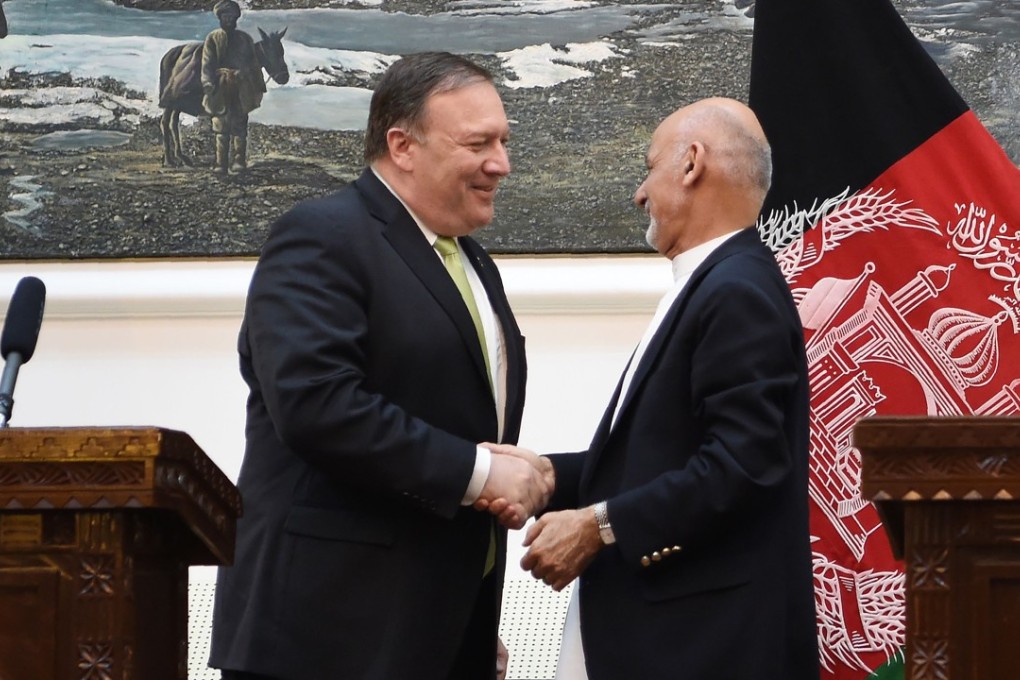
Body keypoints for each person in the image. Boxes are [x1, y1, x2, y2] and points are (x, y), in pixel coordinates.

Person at [209, 52, 553, 680]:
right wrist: (482, 472)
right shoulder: (320, 237)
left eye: (503, 141)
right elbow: (317, 406)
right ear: (402, 145)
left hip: (434, 631)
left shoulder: (472, 261)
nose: (501, 163)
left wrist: (463, 622)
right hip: (325, 638)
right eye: (479, 143)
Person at [486, 98, 820, 679]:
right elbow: (666, 454)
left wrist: (599, 525)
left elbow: (744, 465)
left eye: (649, 166)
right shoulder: (717, 283)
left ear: (692, 164)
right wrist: (551, 475)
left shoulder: (735, 291)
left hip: (704, 648)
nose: (640, 192)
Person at [201, 0, 265, 173]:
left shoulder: (245, 39)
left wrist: (244, 74)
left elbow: (253, 63)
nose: (228, 20)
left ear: (237, 18)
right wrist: (207, 83)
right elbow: (207, 63)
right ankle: (220, 163)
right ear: (220, 18)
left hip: (240, 86)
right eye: (225, 17)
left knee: (240, 124)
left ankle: (238, 161)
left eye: (232, 17)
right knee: (220, 125)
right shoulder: (213, 38)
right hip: (219, 86)